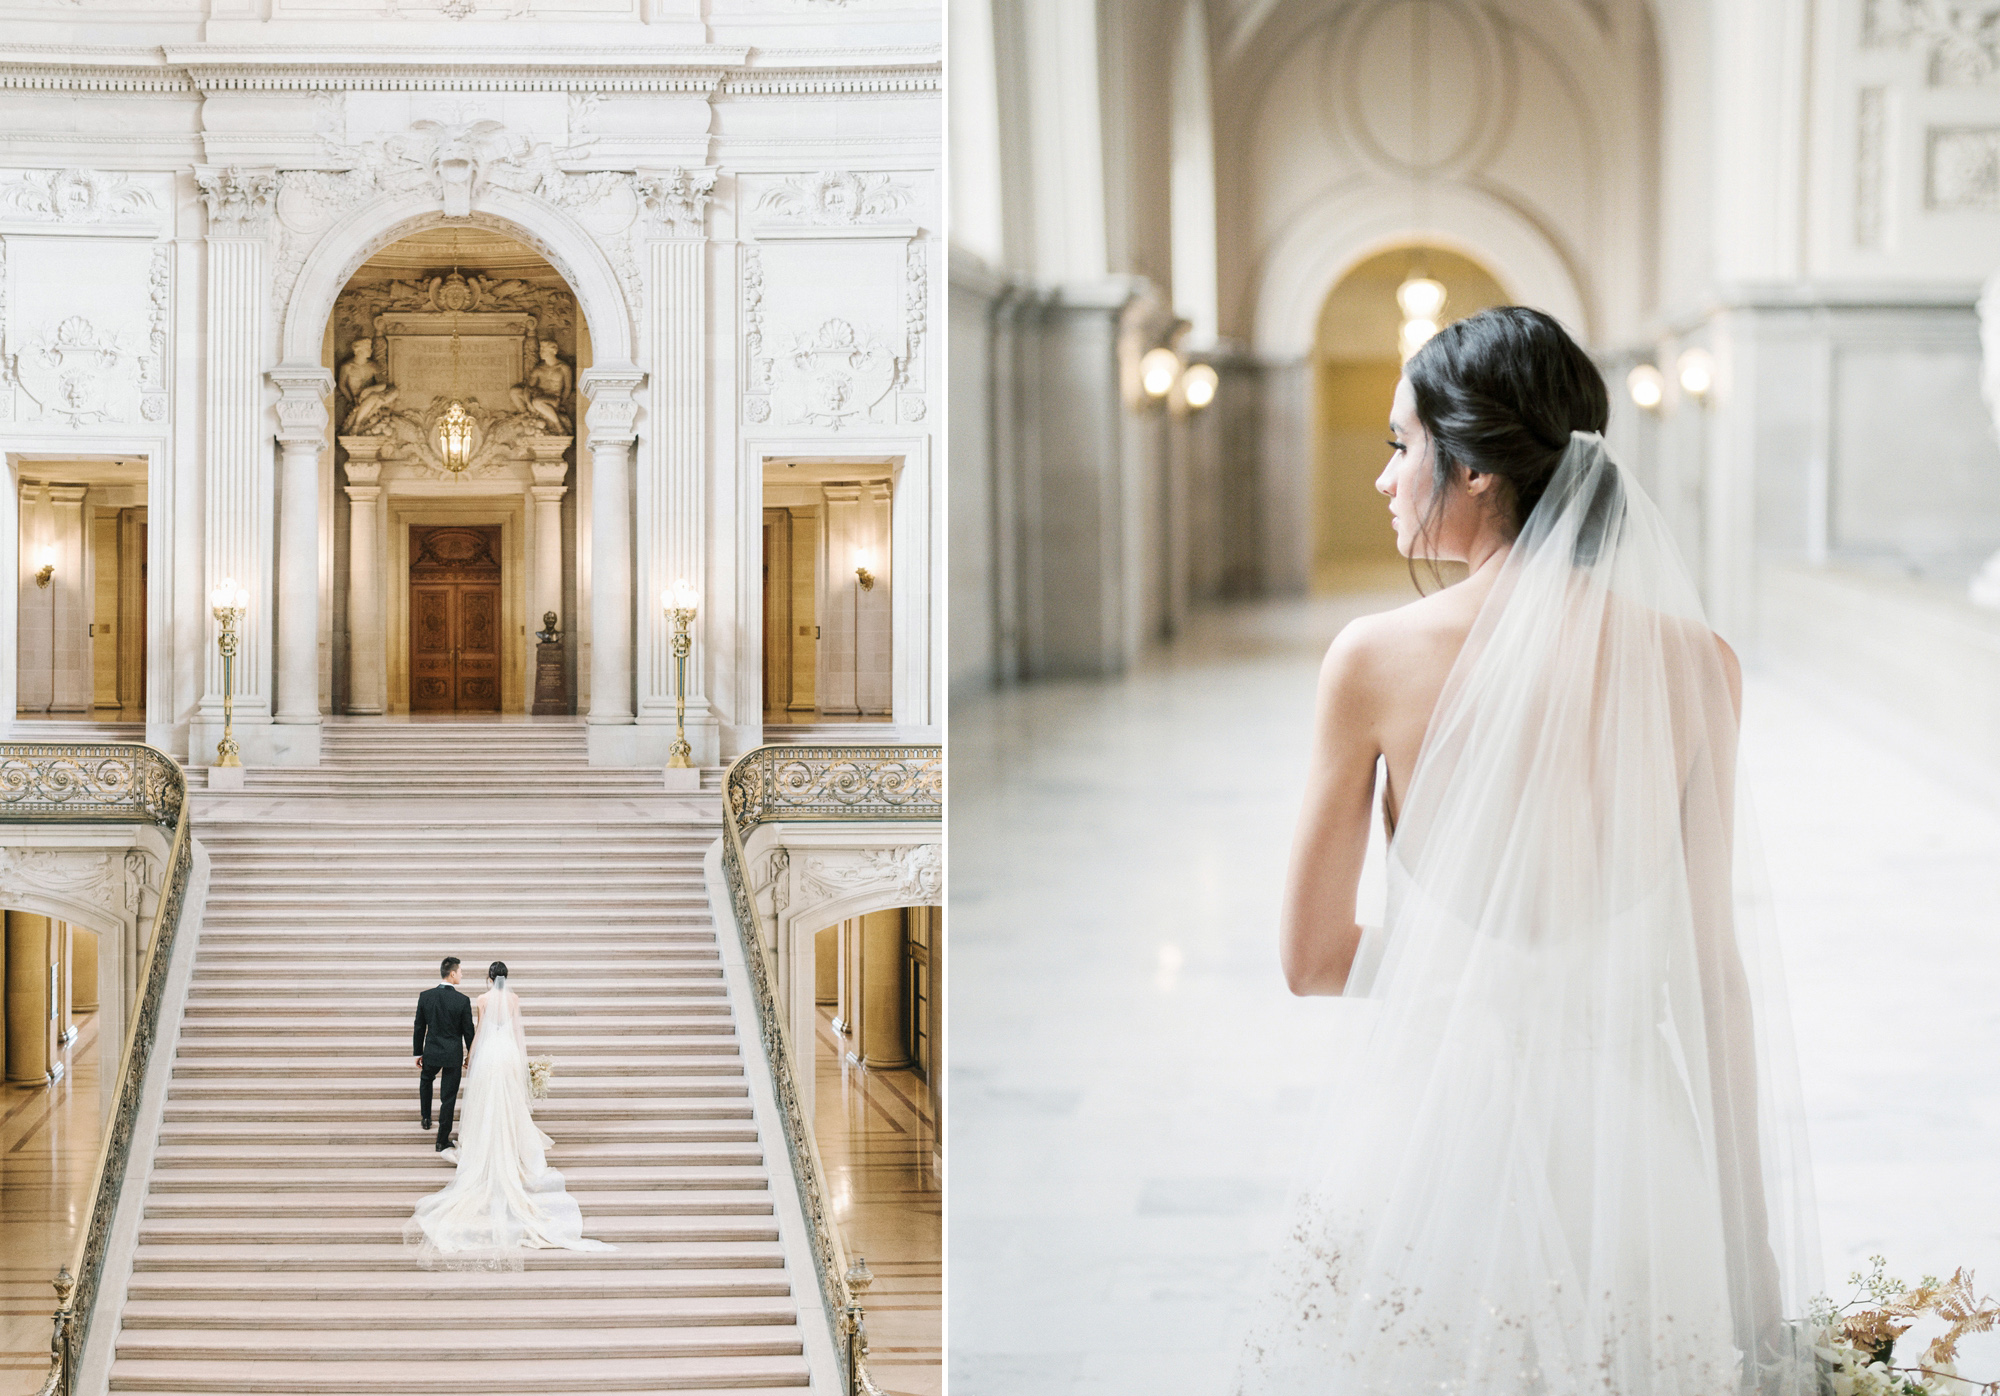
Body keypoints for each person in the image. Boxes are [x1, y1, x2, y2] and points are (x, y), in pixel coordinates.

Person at [1235, 307, 1819, 1393]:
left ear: (1472, 473)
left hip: (1430, 1146)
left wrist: (1468, 983)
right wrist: (1749, 1236)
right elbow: (1711, 981)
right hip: (1638, 1158)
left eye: (1399, 445)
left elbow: (1311, 959)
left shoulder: (1371, 659)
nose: (1384, 478)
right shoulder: (1698, 666)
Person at [404, 960, 612, 1270]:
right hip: (508, 1053)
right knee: (508, 1100)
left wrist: (471, 1057)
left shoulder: (483, 999)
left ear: (489, 979)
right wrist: (519, 1063)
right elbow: (515, 1033)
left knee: (486, 1099)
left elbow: (476, 1033)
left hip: (489, 1053)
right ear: (506, 978)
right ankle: (513, 1141)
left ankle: (480, 1136)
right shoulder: (513, 999)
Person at [412, 956, 474, 1158]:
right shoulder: (462, 1000)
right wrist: (470, 1055)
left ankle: (426, 1118)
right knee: (448, 1098)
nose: (462, 975)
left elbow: (419, 1026)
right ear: (453, 973)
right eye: (461, 972)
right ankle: (441, 1140)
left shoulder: (425, 996)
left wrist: (418, 1052)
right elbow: (468, 1032)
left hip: (431, 1051)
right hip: (452, 1054)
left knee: (426, 1080)